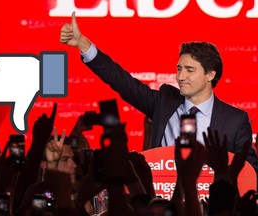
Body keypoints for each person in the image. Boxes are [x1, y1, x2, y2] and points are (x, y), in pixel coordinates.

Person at [60, 12, 258, 174]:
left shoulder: (235, 120)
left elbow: (250, 170)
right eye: (179, 69)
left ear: (210, 74)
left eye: (190, 70)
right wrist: (84, 45)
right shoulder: (164, 102)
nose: (181, 76)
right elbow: (121, 81)